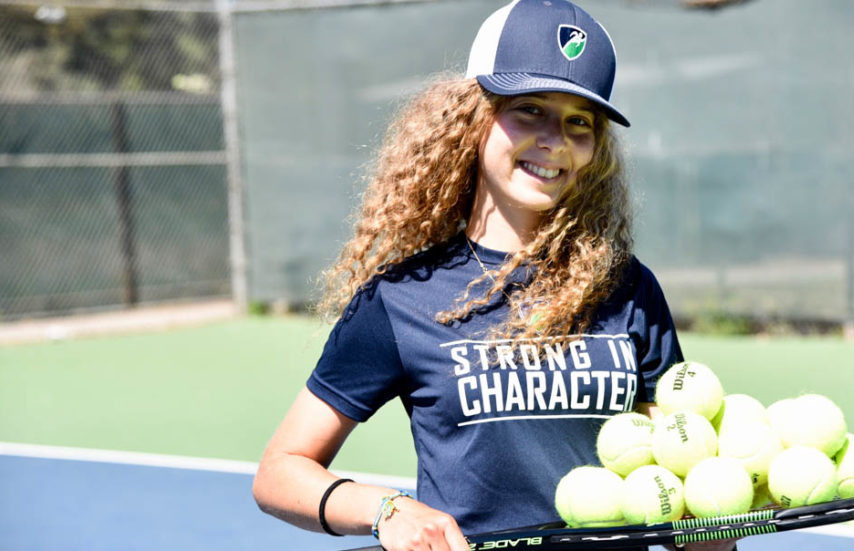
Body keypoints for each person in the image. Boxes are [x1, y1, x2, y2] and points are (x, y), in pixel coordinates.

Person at [253, 1, 736, 550]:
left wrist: (720, 511)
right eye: (530, 109)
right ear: (471, 117)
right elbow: (280, 471)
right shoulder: (402, 298)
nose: (555, 139)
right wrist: (388, 509)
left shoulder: (628, 289)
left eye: (580, 122)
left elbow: (679, 491)